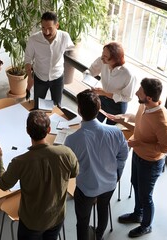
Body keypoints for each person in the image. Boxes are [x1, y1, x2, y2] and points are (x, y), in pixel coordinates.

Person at [0, 110, 79, 240]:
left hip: (32, 222)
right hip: (56, 216)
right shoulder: (66, 153)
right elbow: (75, 172)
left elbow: (3, 184)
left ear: (27, 131)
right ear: (49, 129)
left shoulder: (20, 162)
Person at [106, 78, 167, 238]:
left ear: (149, 98)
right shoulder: (144, 105)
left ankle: (146, 225)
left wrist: (139, 143)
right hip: (138, 154)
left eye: (140, 91)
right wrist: (124, 117)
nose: (136, 92)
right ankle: (138, 214)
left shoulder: (162, 120)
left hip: (151, 162)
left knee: (146, 196)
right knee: (135, 184)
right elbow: (139, 118)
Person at [64, 90, 128, 240]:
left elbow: (69, 168)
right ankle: (98, 236)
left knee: (83, 220)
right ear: (99, 108)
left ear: (79, 110)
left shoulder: (72, 140)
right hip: (110, 183)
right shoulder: (115, 132)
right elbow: (123, 155)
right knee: (103, 209)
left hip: (86, 188)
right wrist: (117, 174)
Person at [24, 11, 74, 109]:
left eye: (49, 28)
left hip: (57, 77)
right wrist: (30, 77)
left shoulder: (64, 37)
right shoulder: (34, 39)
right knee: (37, 106)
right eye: (43, 28)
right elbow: (27, 59)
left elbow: (71, 49)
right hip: (40, 77)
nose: (46, 32)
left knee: (57, 107)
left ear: (57, 25)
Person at [87, 42, 136, 125]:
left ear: (115, 59)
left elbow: (127, 98)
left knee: (109, 130)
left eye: (105, 57)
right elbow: (91, 71)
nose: (102, 58)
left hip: (117, 105)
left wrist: (105, 93)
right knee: (94, 123)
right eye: (102, 54)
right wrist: (88, 79)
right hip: (102, 99)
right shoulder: (102, 61)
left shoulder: (128, 74)